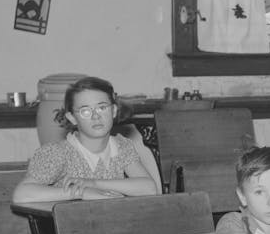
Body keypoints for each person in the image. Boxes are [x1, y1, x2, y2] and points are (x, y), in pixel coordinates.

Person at [12, 76, 161, 204]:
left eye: (102, 108)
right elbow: (21, 194)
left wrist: (94, 183)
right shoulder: (58, 153)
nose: (96, 116)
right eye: (85, 111)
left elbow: (149, 188)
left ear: (114, 111)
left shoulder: (122, 147)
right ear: (72, 118)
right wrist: (80, 192)